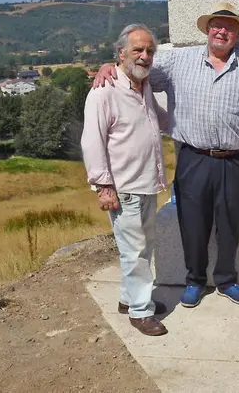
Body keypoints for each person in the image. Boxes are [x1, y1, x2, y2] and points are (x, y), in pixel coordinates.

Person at [94, 3, 239, 309]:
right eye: (217, 25)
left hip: (235, 160)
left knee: (229, 222)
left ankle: (226, 280)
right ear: (208, 30)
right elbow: (139, 72)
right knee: (192, 222)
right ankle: (195, 280)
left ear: (237, 35)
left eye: (230, 27)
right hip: (194, 158)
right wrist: (111, 68)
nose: (222, 31)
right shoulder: (180, 60)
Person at [82, 24, 169, 336]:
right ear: (121, 53)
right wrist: (103, 185)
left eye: (149, 51)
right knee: (135, 252)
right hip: (124, 187)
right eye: (138, 50)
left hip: (147, 182)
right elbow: (91, 141)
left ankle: (128, 298)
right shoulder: (104, 91)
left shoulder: (143, 86)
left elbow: (159, 121)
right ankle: (141, 312)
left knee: (141, 248)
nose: (145, 56)